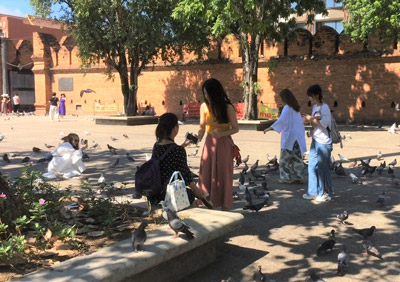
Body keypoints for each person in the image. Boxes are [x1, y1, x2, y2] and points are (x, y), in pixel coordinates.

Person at [143, 112, 212, 208]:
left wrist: (183, 145)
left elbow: (168, 156)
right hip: (169, 193)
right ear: (175, 128)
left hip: (155, 191)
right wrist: (198, 192)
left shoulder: (157, 145)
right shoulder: (178, 150)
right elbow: (186, 176)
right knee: (190, 195)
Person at [197, 78, 239, 211]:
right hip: (209, 144)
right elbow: (202, 127)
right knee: (206, 173)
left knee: (223, 175)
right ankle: (208, 203)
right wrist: (196, 138)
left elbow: (236, 128)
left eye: (208, 93)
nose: (206, 96)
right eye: (204, 93)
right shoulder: (204, 106)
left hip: (224, 143)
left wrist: (221, 133)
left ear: (215, 93)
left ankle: (225, 207)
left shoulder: (227, 107)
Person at [264, 89, 307, 183]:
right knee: (297, 158)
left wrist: (269, 128)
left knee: (284, 159)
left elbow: (281, 121)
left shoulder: (287, 108)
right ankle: (299, 176)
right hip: (297, 138)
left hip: (289, 137)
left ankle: (286, 177)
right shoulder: (295, 109)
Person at [302, 84, 333, 202]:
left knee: (322, 168)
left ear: (316, 95)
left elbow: (324, 124)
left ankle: (322, 193)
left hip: (324, 142)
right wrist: (311, 129)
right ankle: (312, 191)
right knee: (311, 166)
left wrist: (310, 119)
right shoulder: (315, 107)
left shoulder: (325, 107)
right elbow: (316, 123)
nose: (310, 98)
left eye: (311, 96)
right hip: (315, 140)